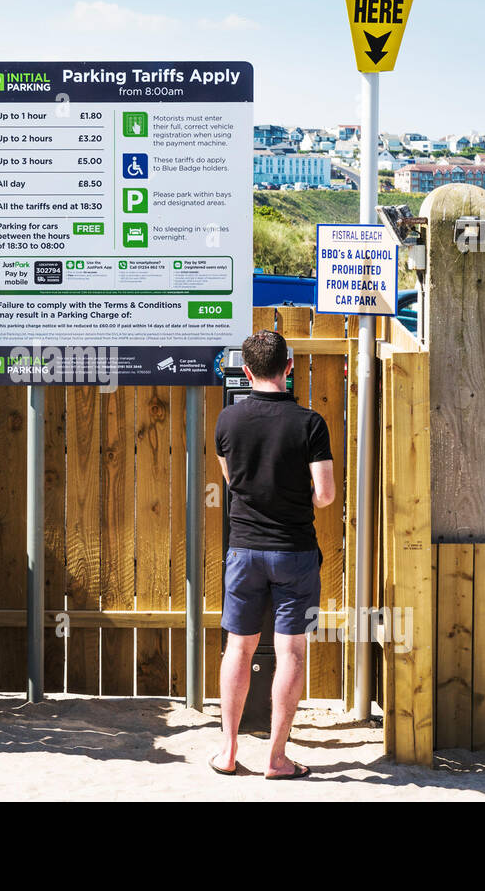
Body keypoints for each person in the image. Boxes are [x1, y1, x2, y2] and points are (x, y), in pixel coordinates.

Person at [210, 330, 335, 780]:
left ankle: (227, 751)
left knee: (237, 649)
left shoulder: (227, 421)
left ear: (245, 372)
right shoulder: (310, 423)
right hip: (295, 553)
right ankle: (277, 758)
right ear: (288, 368)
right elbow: (324, 496)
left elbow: (231, 482)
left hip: (243, 551)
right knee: (291, 653)